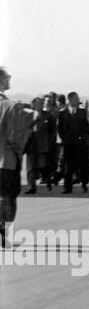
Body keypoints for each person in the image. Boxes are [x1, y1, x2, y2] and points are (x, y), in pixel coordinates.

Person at [0, 67, 32, 247]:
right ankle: (4, 236)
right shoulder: (11, 106)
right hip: (7, 161)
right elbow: (14, 138)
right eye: (7, 77)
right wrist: (20, 151)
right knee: (8, 198)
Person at [57, 91, 89, 194]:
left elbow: (86, 128)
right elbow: (60, 129)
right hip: (68, 144)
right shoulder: (62, 113)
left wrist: (83, 139)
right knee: (68, 166)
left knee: (82, 165)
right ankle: (67, 187)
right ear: (70, 99)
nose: (78, 100)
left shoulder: (82, 112)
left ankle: (84, 184)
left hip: (80, 143)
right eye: (76, 98)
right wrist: (65, 139)